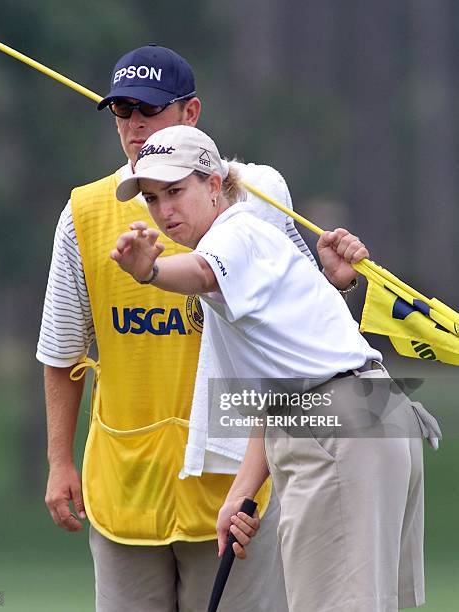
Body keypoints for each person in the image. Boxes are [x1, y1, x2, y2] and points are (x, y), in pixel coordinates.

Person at [37, 45, 368, 612]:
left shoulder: (254, 200)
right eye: (121, 111)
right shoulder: (84, 212)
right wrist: (59, 461)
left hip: (234, 483)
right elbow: (62, 346)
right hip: (126, 486)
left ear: (191, 114)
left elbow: (299, 307)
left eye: (150, 109)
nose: (135, 125)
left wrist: (336, 283)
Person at [112, 124, 440, 612]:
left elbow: (200, 272)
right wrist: (240, 493)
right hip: (361, 415)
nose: (164, 211)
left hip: (338, 428)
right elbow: (277, 391)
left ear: (215, 184)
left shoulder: (234, 235)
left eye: (176, 191)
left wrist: (151, 272)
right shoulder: (249, 242)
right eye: (154, 199)